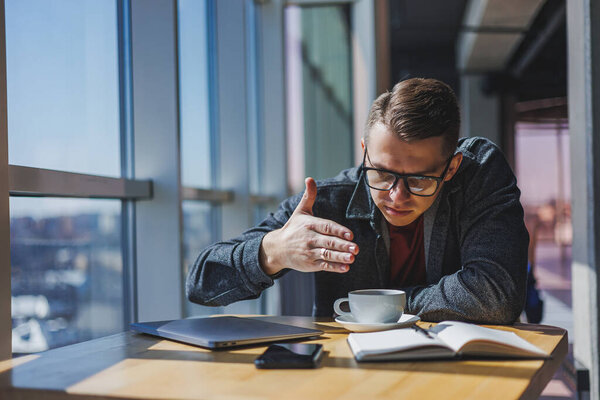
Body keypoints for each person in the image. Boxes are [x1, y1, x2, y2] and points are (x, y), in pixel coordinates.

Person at [186, 78, 529, 324]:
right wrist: (272, 251)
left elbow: (495, 297)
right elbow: (201, 284)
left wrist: (378, 306)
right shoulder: (326, 201)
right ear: (364, 153)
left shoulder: (477, 172)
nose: (397, 196)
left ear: (452, 166)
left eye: (420, 179)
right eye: (381, 173)